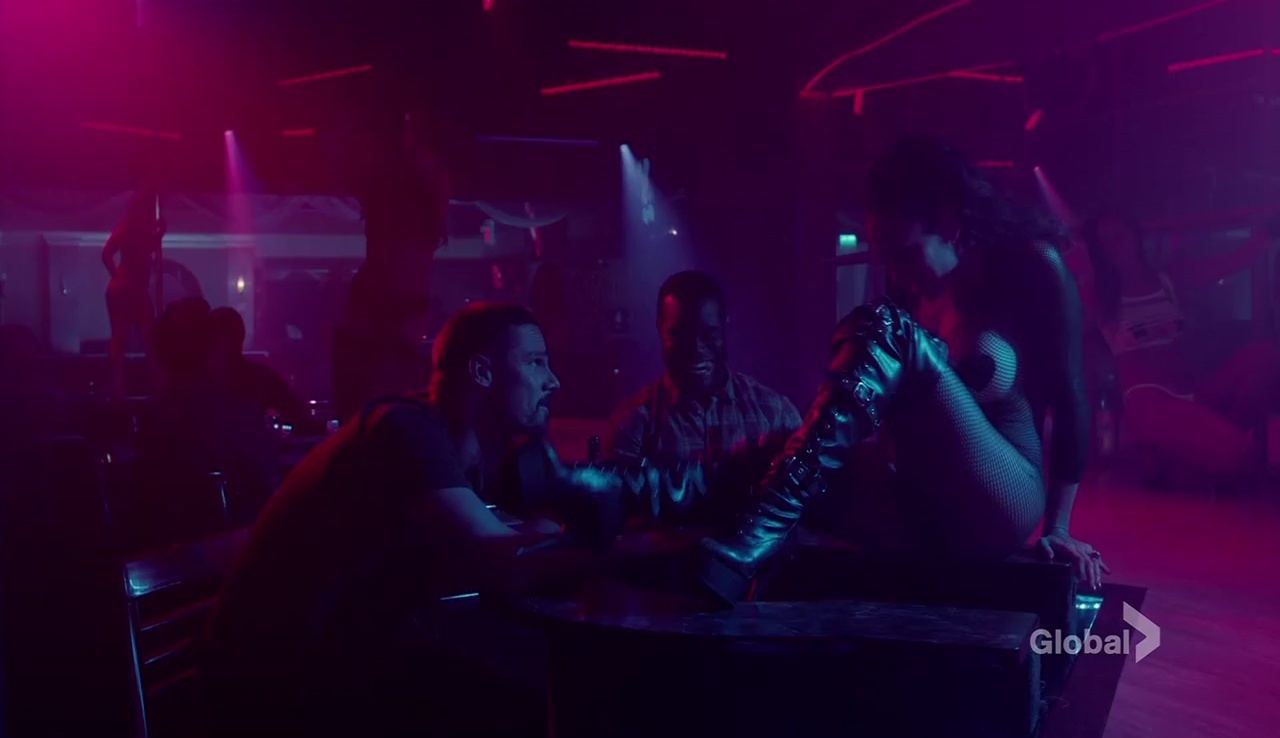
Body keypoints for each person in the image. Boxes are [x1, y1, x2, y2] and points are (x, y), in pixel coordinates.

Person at [697, 136, 1106, 603]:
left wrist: (1058, 528)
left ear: (950, 224)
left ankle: (762, 530)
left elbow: (1072, 398)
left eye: (906, 254)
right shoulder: (909, 287)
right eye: (887, 258)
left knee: (886, 328)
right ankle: (640, 491)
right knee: (767, 456)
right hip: (920, 506)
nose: (896, 272)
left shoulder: (1031, 265)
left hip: (1001, 500)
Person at [203, 302, 616, 738]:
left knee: (525, 687)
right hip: (272, 684)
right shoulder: (405, 432)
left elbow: (510, 547)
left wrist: (551, 531)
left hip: (332, 663)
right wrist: (603, 538)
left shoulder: (465, 449)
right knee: (524, 704)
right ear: (482, 372)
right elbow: (505, 564)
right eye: (535, 362)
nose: (553, 380)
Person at [1080, 212, 1280, 479]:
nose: (1112, 246)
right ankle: (1175, 454)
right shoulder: (1098, 291)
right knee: (1238, 455)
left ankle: (1183, 450)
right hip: (1148, 398)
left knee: (1267, 355)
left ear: (1136, 238)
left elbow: (1231, 263)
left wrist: (1269, 230)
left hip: (1190, 390)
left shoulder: (1167, 278)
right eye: (1103, 242)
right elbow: (1069, 279)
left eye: (1119, 237)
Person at [593, 271, 802, 524]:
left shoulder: (775, 413)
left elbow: (805, 507)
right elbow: (619, 523)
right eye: (680, 336)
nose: (695, 350)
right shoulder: (633, 423)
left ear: (725, 328)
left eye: (708, 335)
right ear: (660, 331)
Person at [133, 299, 281, 547]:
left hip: (164, 556)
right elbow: (274, 498)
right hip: (239, 552)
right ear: (212, 352)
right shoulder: (239, 417)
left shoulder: (151, 421)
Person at [102, 188, 164, 398]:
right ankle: (154, 390)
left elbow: (106, 254)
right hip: (132, 288)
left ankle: (119, 391)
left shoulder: (124, 226)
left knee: (120, 339)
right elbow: (146, 250)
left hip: (121, 287)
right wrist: (159, 234)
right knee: (150, 340)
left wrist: (118, 277)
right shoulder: (139, 227)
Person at [208, 307, 310, 431]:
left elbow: (298, 411)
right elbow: (300, 412)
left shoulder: (201, 383)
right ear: (242, 334)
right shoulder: (261, 377)